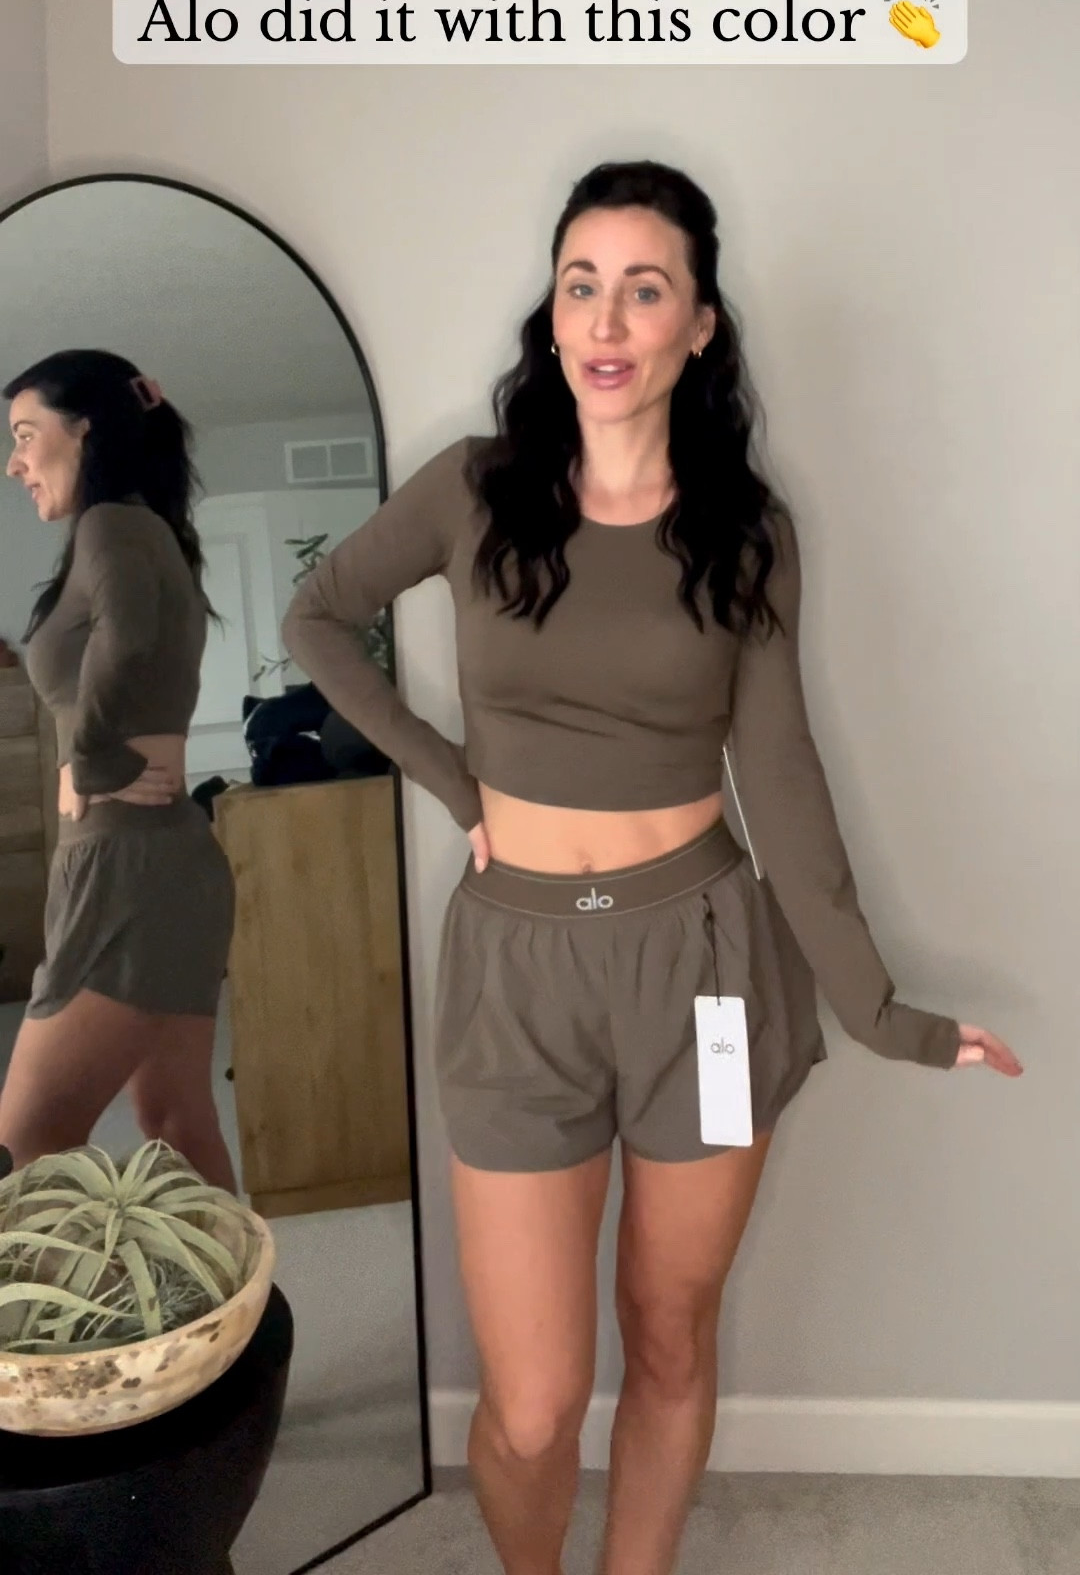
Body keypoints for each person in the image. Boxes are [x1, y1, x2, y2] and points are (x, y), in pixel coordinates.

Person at [282, 161, 1023, 1575]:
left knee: (672, 1334)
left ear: (700, 325)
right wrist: (453, 782)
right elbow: (319, 616)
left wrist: (882, 1012)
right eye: (582, 285)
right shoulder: (474, 489)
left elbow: (781, 775)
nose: (608, 319)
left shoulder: (746, 533)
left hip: (705, 971)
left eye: (645, 287)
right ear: (553, 314)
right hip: (516, 971)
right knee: (534, 1404)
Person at [1, 348, 236, 1191]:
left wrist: (92, 761)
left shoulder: (110, 525)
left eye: (25, 435)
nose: (15, 463)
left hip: (127, 870)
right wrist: (90, 764)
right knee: (175, 1124)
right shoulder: (141, 529)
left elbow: (127, 639)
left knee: (24, 1140)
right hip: (158, 860)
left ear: (85, 430)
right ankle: (241, 1286)